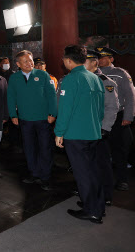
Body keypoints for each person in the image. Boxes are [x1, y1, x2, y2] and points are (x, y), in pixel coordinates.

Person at [55, 45, 105, 224]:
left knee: (83, 173)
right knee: (93, 171)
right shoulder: (95, 78)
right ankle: (97, 205)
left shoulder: (70, 80)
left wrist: (59, 132)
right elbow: (101, 110)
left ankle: (91, 210)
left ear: (68, 60)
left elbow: (65, 109)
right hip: (93, 132)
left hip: (75, 134)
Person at [7, 50, 57, 190]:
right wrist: (13, 115)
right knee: (29, 147)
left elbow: (51, 95)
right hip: (24, 119)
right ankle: (34, 173)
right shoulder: (14, 78)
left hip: (43, 119)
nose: (30, 63)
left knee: (44, 148)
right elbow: (11, 97)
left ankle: (45, 177)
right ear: (18, 64)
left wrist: (53, 113)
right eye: (26, 61)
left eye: (31, 60)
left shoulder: (43, 74)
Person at [83, 49, 119, 206]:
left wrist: (105, 128)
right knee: (86, 165)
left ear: (94, 62)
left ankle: (106, 194)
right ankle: (90, 195)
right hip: (83, 130)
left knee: (102, 163)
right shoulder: (80, 79)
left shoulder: (106, 81)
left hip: (99, 130)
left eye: (84, 61)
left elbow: (112, 107)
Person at [96, 46, 135, 191]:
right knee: (101, 151)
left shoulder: (120, 73)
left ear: (111, 59)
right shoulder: (93, 75)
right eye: (97, 57)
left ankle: (122, 179)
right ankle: (102, 180)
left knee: (120, 150)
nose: (99, 60)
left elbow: (130, 96)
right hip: (100, 117)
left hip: (118, 117)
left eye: (102, 57)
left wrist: (128, 116)